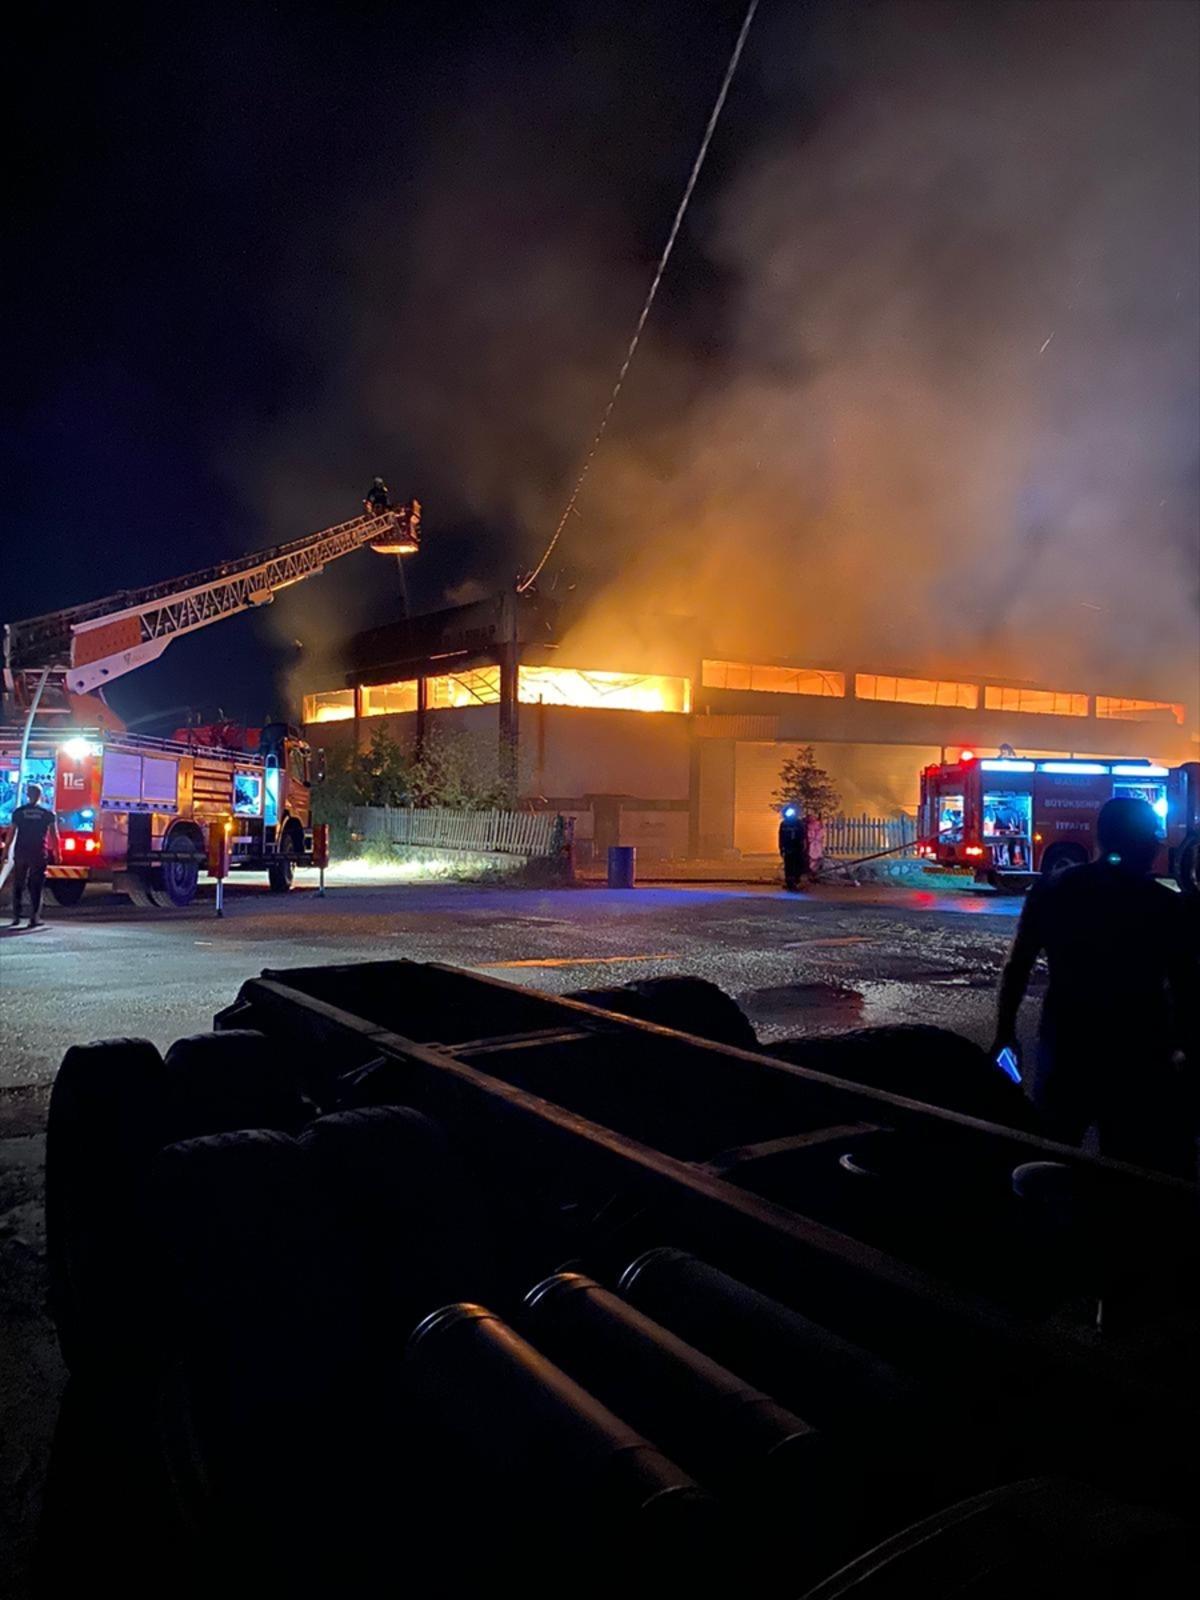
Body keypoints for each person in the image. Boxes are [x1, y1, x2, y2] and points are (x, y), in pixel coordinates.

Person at [993, 797, 1198, 1177]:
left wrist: (1005, 1032)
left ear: (1100, 837)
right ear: (1145, 844)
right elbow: (1187, 986)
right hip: (1138, 1056)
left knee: (1050, 1157)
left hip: (1066, 1047)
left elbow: (1017, 965)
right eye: (1153, 837)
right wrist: (1185, 1050)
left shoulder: (1052, 890)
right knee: (1130, 1168)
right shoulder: (1166, 906)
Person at [6, 782, 60, 929]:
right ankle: (34, 918)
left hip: (21, 852)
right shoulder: (47, 814)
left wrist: (5, 851)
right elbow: (54, 836)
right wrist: (57, 853)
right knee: (36, 885)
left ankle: (16, 916)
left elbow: (11, 833)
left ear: (27, 795)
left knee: (18, 883)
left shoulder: (19, 812)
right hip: (38, 853)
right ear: (40, 795)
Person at [778, 805, 809, 892]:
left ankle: (796, 881)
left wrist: (803, 847)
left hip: (797, 847)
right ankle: (789, 882)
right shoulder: (784, 824)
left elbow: (803, 836)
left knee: (797, 865)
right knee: (788, 865)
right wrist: (781, 848)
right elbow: (781, 837)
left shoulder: (798, 823)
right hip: (788, 848)